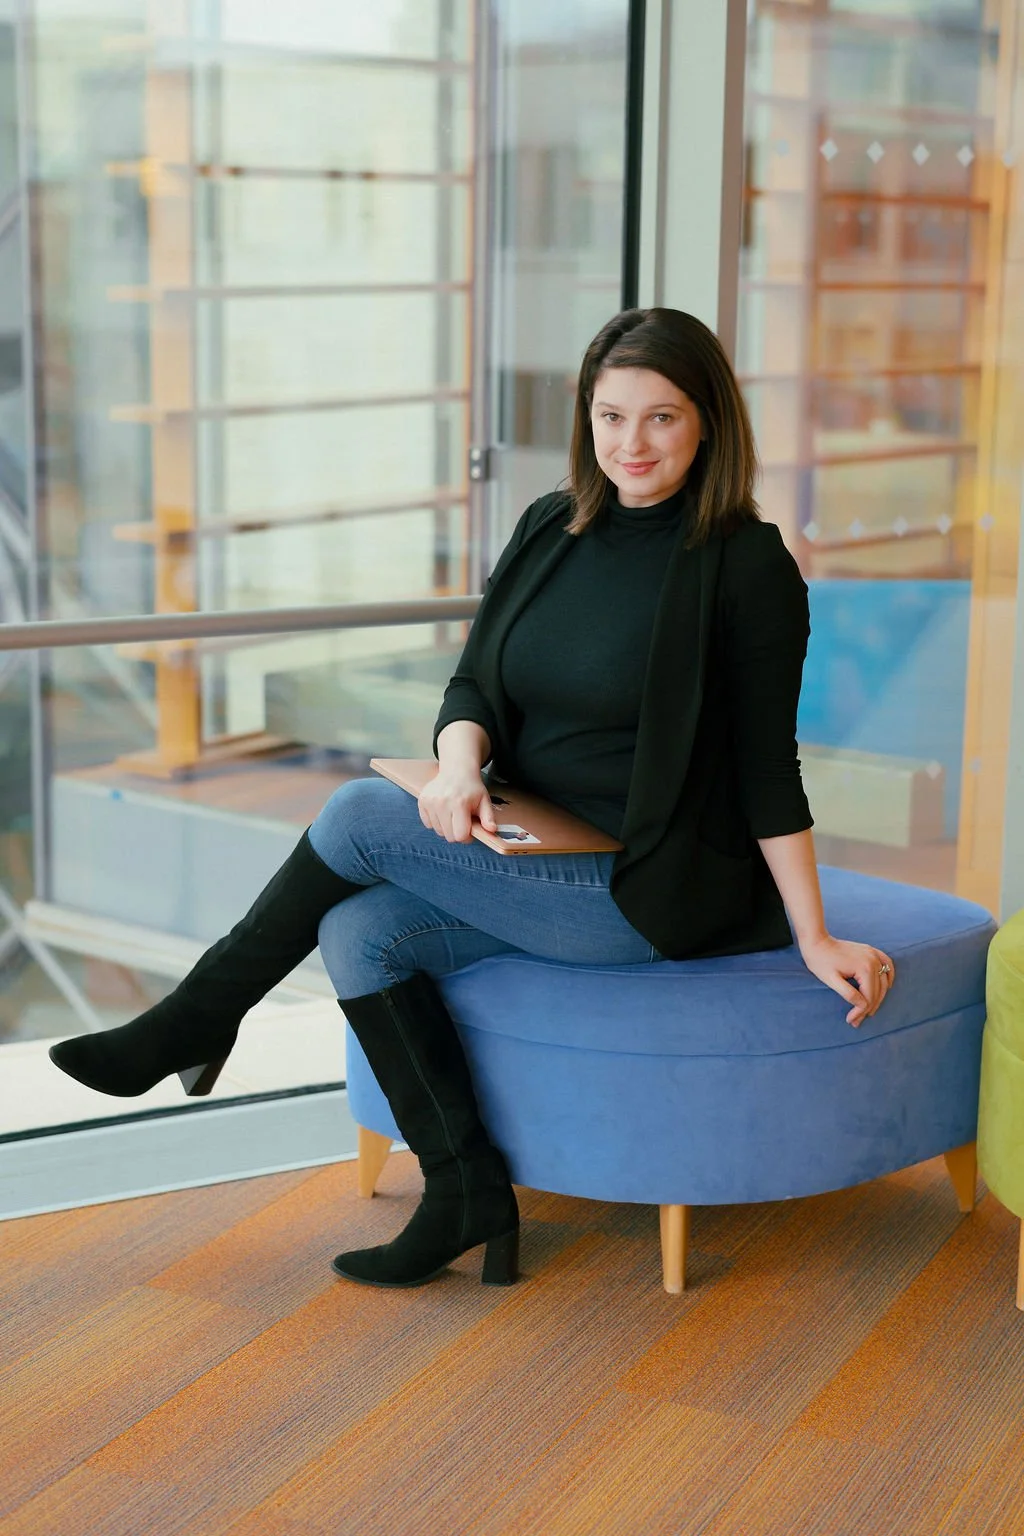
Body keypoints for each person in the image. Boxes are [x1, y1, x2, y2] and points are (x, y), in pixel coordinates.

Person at [49, 307, 895, 1291]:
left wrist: (813, 933)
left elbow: (766, 765)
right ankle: (464, 1192)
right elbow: (473, 688)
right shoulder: (552, 526)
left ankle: (197, 1016)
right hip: (528, 848)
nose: (630, 444)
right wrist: (456, 767)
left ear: (708, 423)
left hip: (639, 883)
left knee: (361, 816)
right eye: (609, 415)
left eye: (660, 418)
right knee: (362, 934)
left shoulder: (746, 566)